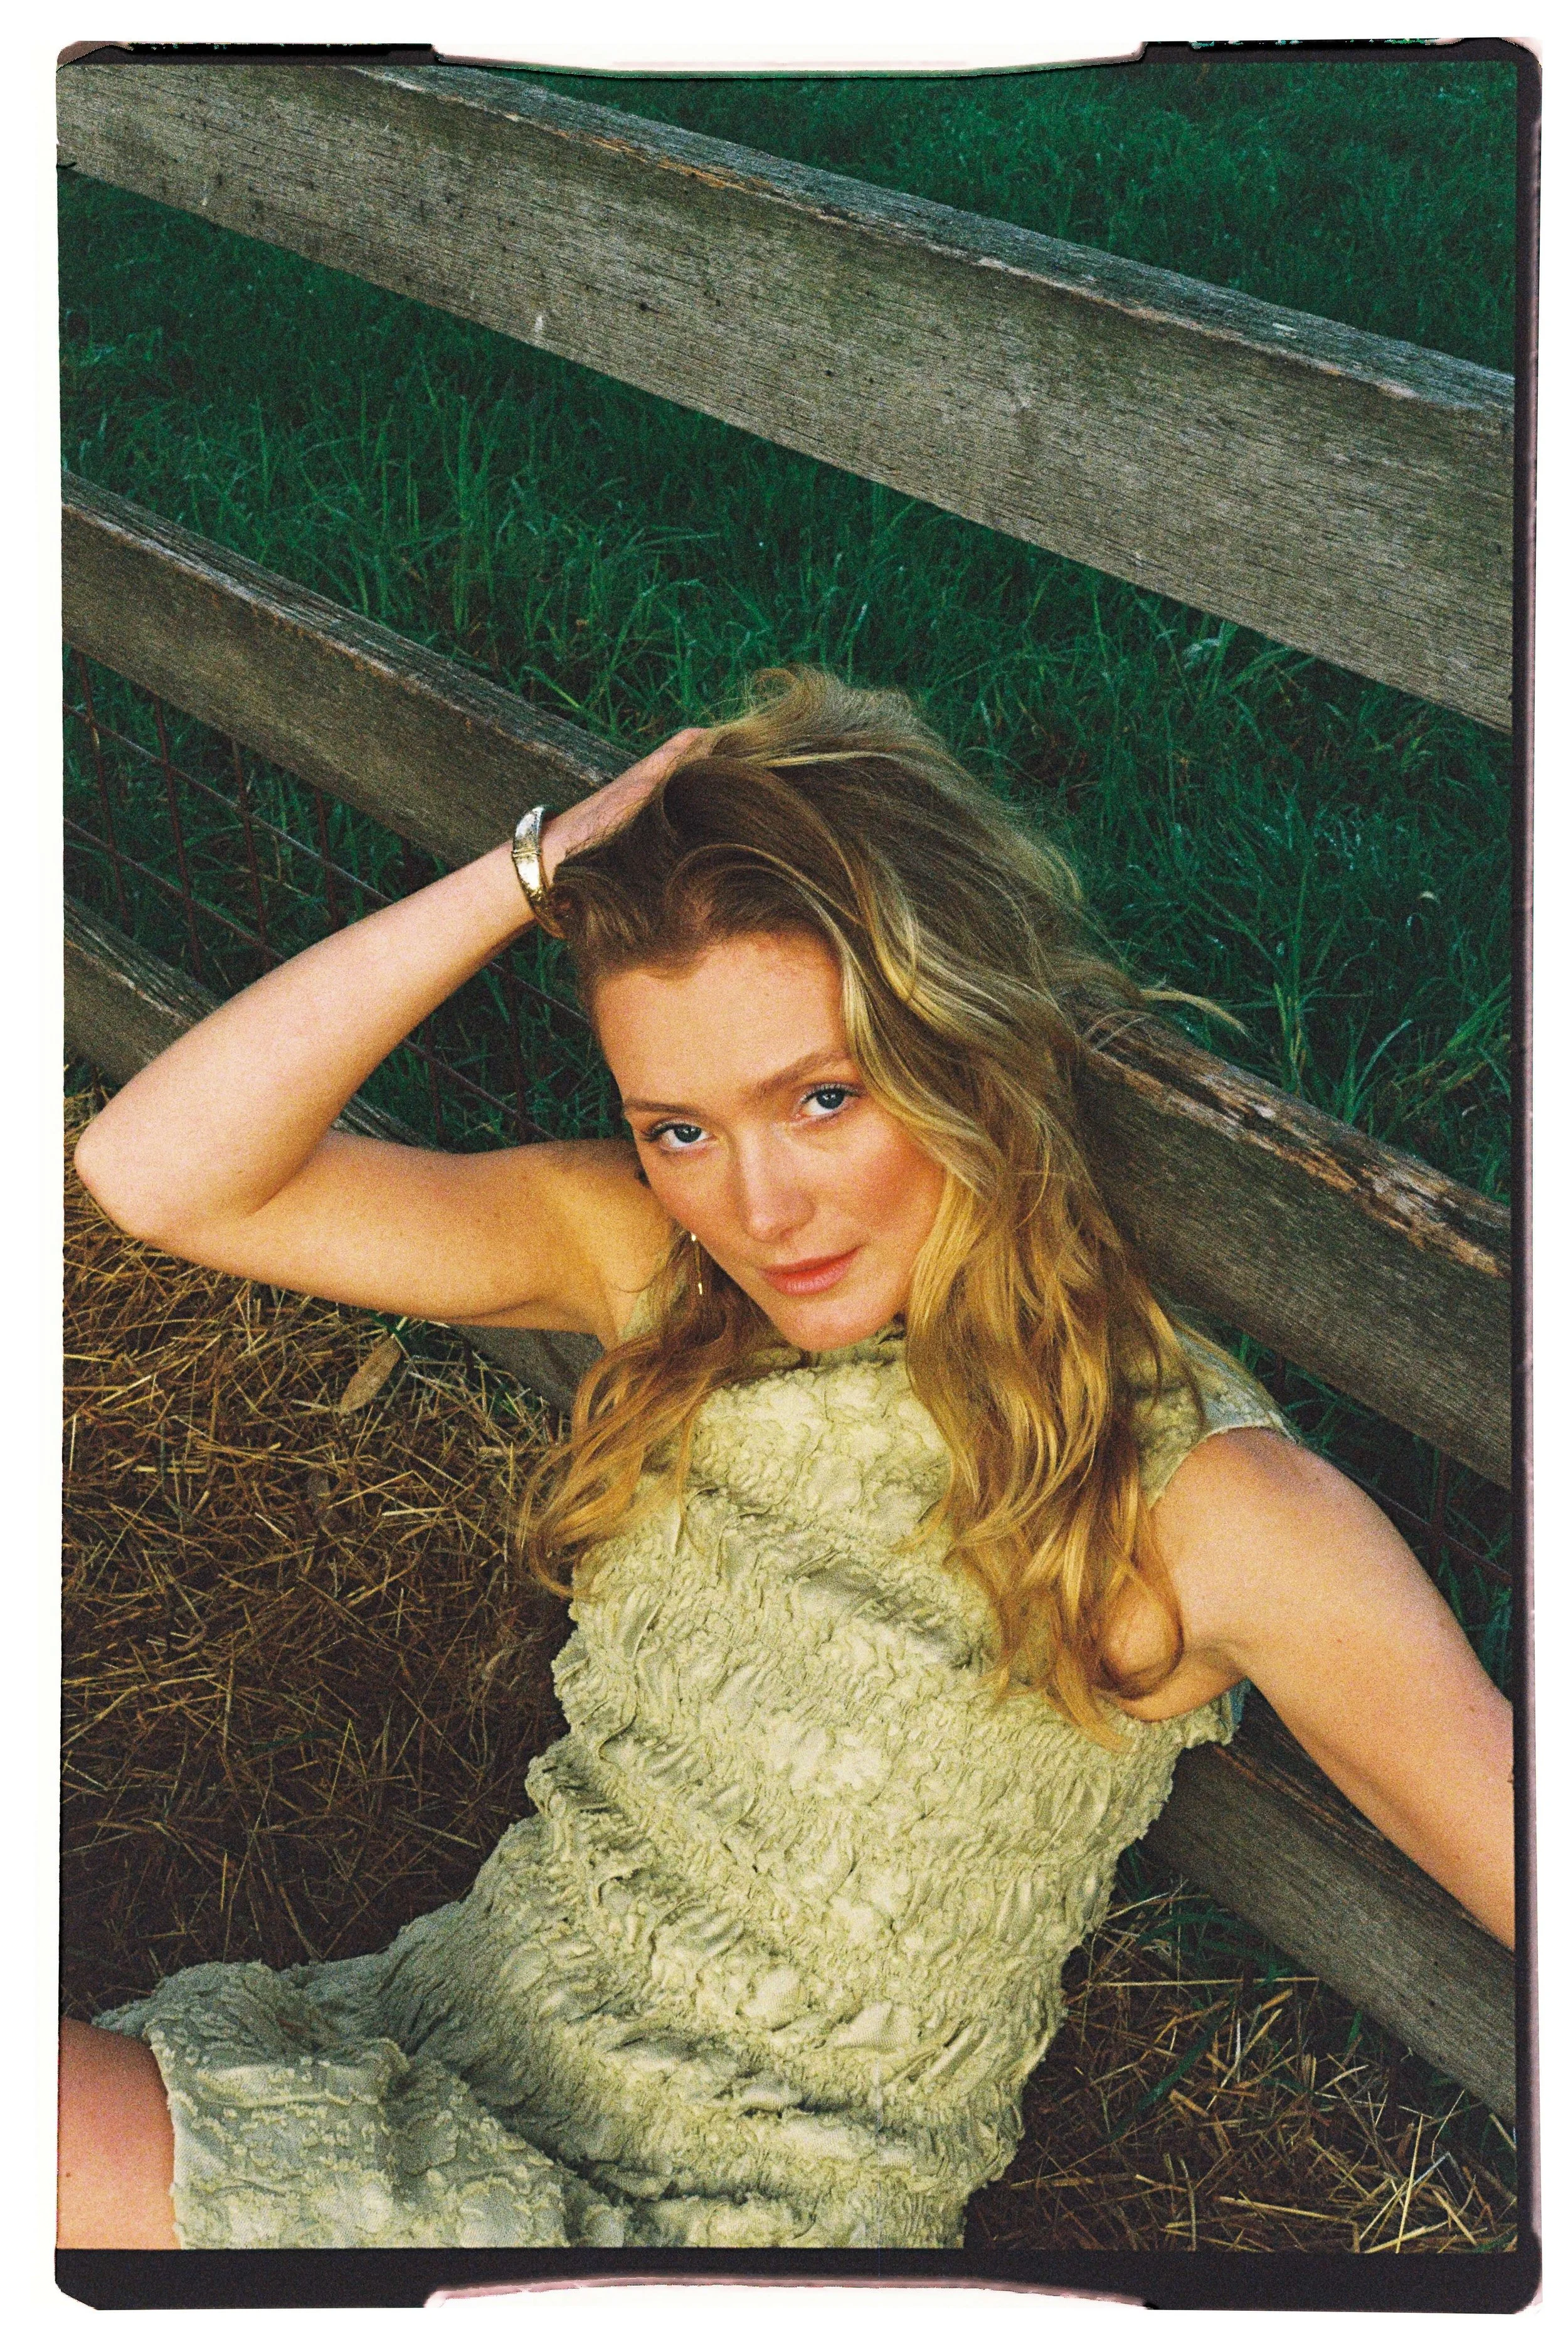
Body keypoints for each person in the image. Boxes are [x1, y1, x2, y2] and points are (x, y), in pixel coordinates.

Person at [59, 670, 1513, 2252]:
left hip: (682, 2247)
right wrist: (528, 871)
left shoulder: (1204, 1506)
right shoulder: (659, 1274)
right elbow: (159, 1172)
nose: (759, 1208)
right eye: (677, 1126)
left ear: (967, 1059)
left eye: (821, 1098)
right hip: (427, 2045)